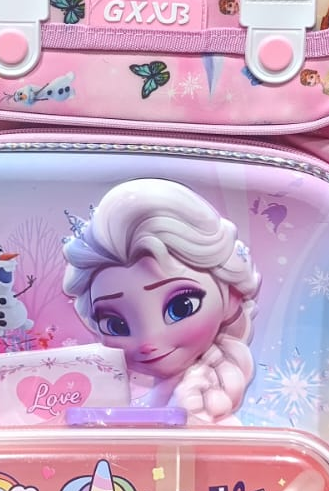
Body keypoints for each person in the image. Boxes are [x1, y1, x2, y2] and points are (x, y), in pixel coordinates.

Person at [62, 179, 261, 424]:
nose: (148, 342)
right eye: (115, 325)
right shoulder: (129, 394)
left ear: (232, 296)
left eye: (180, 307)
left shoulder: (208, 400)